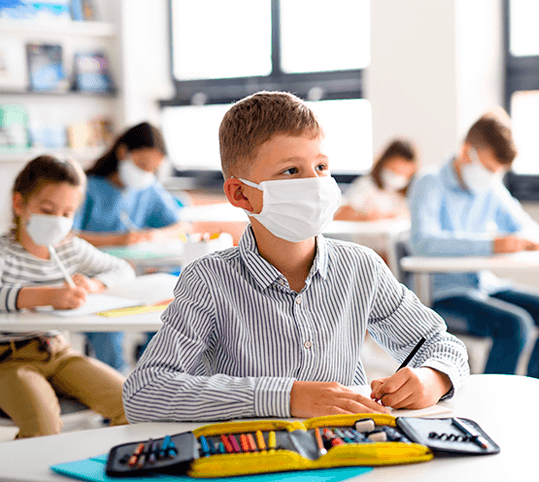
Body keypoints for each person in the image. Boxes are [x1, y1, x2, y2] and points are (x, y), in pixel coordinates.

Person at [122, 91, 469, 422]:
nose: (315, 184)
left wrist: (433, 378)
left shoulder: (360, 268)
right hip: (255, 458)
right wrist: (286, 397)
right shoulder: (209, 280)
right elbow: (143, 391)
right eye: (291, 171)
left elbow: (441, 343)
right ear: (241, 194)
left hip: (346, 451)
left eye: (321, 166)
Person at [407, 110, 539, 384]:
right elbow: (423, 242)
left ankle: (530, 402)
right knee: (515, 325)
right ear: (467, 152)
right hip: (442, 295)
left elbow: (529, 227)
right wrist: (491, 244)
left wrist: (526, 239)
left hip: (484, 285)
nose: (492, 176)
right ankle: (490, 411)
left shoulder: (490, 189)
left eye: (497, 172)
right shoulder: (429, 183)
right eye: (489, 169)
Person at [0, 155, 131, 438]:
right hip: (9, 360)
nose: (57, 221)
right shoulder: (4, 254)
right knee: (43, 427)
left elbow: (121, 269)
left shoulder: (71, 249)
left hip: (59, 352)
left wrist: (94, 285)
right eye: (47, 210)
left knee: (134, 405)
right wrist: (49, 295)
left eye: (67, 213)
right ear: (19, 204)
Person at [74, 122, 186, 371]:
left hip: (138, 274)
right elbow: (68, 235)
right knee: (109, 331)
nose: (146, 173)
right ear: (123, 152)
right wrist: (116, 240)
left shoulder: (147, 189)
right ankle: (116, 391)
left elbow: (180, 225)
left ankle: (153, 377)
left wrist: (153, 235)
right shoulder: (87, 186)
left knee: (171, 314)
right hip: (96, 277)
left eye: (153, 169)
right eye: (142, 164)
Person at [335, 138, 418, 222]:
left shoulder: (408, 194)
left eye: (404, 174)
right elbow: (339, 214)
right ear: (384, 162)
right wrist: (365, 217)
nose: (397, 177)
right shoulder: (366, 185)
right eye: (394, 170)